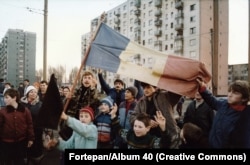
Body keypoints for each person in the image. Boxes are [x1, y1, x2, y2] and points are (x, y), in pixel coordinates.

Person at [196, 78, 250, 148]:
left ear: (244, 98)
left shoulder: (245, 117)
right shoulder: (224, 104)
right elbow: (212, 101)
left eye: (235, 93)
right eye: (230, 91)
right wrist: (202, 87)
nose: (230, 95)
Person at [130, 82, 182, 149]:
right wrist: (146, 121)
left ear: (155, 87)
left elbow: (178, 91)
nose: (145, 90)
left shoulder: (165, 96)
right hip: (149, 137)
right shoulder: (141, 102)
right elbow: (132, 117)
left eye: (148, 87)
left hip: (166, 133)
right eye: (144, 88)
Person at [0, 88, 35, 165]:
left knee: (19, 161)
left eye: (7, 97)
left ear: (14, 98)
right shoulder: (2, 111)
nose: (4, 100)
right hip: (6, 143)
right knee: (7, 162)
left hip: (21, 142)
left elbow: (29, 124)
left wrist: (31, 139)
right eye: (4, 97)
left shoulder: (25, 110)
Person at [20, 85, 44, 164]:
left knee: (36, 146)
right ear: (27, 93)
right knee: (24, 145)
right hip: (23, 129)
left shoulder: (40, 104)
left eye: (35, 92)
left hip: (36, 129)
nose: (33, 94)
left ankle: (36, 158)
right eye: (31, 92)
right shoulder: (21, 104)